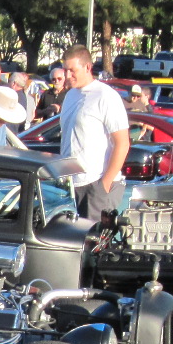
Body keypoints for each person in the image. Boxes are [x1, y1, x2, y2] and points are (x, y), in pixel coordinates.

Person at [59, 44, 130, 219]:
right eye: (65, 70)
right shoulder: (70, 96)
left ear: (88, 67)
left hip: (95, 185)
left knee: (92, 242)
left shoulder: (105, 96)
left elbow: (122, 143)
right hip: (71, 184)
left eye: (72, 70)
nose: (68, 75)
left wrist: (104, 185)